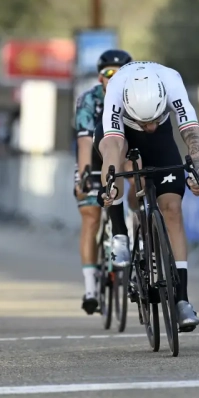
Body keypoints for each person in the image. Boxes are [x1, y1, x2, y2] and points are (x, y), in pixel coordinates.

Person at [96, 61, 199, 332]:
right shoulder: (116, 88)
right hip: (122, 133)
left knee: (172, 208)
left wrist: (195, 172)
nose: (147, 126)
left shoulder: (171, 81)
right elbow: (112, 146)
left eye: (152, 119)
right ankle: (120, 232)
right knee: (120, 168)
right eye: (143, 121)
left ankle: (182, 299)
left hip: (163, 136)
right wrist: (109, 183)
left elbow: (192, 134)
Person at [74, 49, 134, 314]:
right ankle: (90, 288)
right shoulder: (89, 100)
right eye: (109, 73)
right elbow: (85, 140)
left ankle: (142, 249)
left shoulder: (135, 97)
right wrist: (85, 174)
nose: (115, 78)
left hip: (127, 155)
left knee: (141, 196)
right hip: (95, 160)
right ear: (100, 78)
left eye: (121, 73)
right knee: (90, 215)